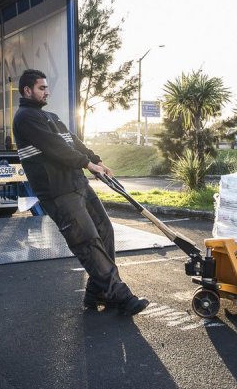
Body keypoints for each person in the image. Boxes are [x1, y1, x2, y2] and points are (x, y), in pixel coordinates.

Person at [12, 69, 149, 316]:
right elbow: (56, 149)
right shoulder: (25, 118)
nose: (47, 91)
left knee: (104, 230)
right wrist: (87, 165)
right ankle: (120, 295)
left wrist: (97, 161)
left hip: (78, 185)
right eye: (42, 88)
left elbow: (73, 142)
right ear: (27, 91)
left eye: (46, 87)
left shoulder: (50, 116)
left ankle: (97, 292)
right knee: (87, 241)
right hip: (58, 192)